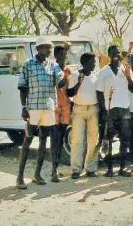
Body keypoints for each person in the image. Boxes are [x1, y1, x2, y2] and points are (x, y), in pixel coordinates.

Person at [16, 37, 67, 190]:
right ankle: (19, 177)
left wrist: (63, 71)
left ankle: (37, 174)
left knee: (44, 141)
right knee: (28, 140)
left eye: (50, 48)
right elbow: (23, 87)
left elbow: (60, 83)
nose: (49, 50)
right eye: (46, 48)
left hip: (49, 107)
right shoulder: (28, 65)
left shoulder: (53, 65)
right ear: (38, 49)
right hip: (33, 107)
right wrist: (24, 107)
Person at [97, 45, 133, 178]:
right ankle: (109, 169)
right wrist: (103, 111)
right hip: (110, 111)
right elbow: (99, 93)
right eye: (113, 53)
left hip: (124, 109)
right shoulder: (103, 72)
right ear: (108, 54)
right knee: (108, 140)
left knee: (124, 139)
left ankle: (122, 168)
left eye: (118, 53)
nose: (116, 55)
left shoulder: (126, 69)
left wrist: (128, 77)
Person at [68, 52, 100, 179]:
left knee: (93, 140)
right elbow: (70, 93)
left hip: (93, 109)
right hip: (79, 110)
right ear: (85, 63)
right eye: (93, 62)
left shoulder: (96, 75)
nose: (95, 64)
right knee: (77, 140)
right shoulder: (75, 75)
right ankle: (76, 169)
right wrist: (79, 83)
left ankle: (91, 168)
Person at [53, 43, 71, 180]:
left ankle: (56, 167)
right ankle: (54, 169)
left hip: (65, 106)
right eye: (62, 54)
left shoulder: (68, 70)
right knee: (55, 138)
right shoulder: (52, 69)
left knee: (61, 139)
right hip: (54, 107)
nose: (64, 56)